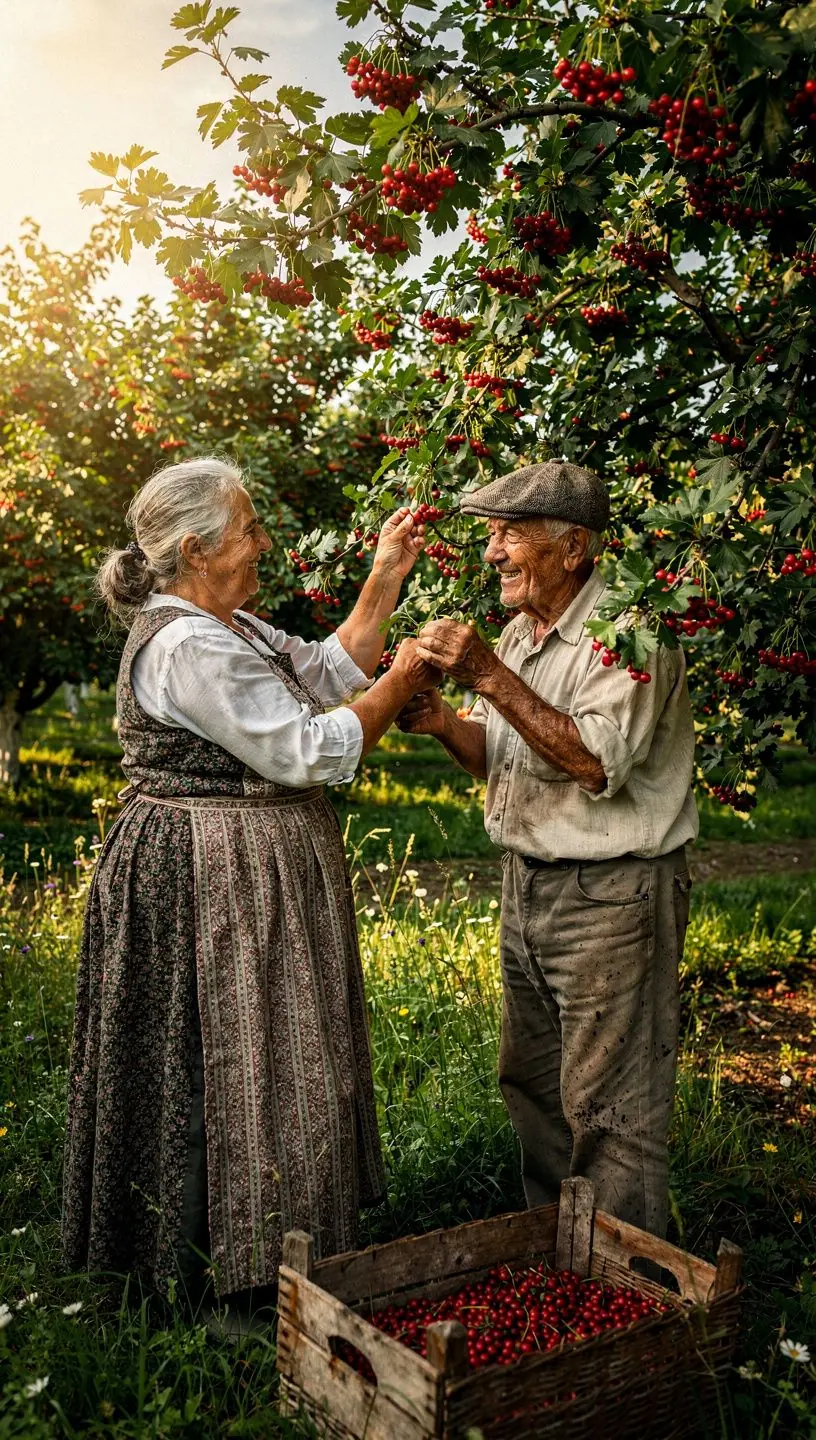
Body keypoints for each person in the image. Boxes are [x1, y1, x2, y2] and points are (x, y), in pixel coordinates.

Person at [62, 456, 440, 1303]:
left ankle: (265, 1250)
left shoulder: (227, 625)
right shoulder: (188, 644)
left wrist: (383, 580)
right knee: (214, 1056)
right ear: (196, 549)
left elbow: (320, 673)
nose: (264, 542)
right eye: (249, 528)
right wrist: (404, 680)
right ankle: (211, 1274)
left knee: (266, 1050)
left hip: (245, 871)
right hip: (207, 878)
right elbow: (305, 748)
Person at [399, 460, 698, 1237]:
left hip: (612, 895)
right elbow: (506, 756)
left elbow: (595, 764)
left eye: (509, 535)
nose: (491, 552)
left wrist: (487, 674)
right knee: (531, 1086)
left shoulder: (629, 632)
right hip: (527, 886)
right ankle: (558, 1256)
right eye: (491, 534)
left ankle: (631, 1296)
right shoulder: (518, 631)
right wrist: (444, 726)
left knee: (611, 1111)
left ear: (572, 549)